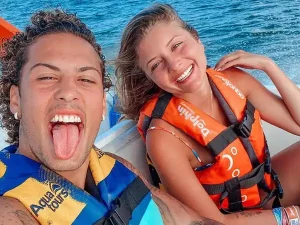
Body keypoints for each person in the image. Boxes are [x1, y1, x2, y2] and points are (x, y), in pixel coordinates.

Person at [0, 9, 222, 225]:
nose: (68, 92)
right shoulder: (9, 209)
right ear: (16, 98)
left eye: (86, 79)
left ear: (102, 105)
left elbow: (195, 221)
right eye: (47, 77)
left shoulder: (117, 167)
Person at [115, 3, 300, 225]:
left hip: (268, 192)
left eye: (177, 45)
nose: (174, 64)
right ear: (150, 78)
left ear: (197, 39)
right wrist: (292, 215)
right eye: (156, 64)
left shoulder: (234, 81)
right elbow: (211, 222)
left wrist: (269, 66)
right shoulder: (164, 138)